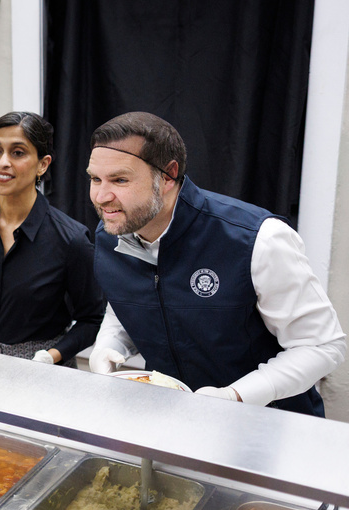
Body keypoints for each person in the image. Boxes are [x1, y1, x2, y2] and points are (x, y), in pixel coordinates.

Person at [86, 111, 346, 415]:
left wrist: (235, 395)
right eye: (95, 179)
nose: (102, 196)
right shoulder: (111, 234)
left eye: (120, 179)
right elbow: (127, 304)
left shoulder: (257, 238)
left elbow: (321, 346)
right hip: (170, 419)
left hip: (269, 424)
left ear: (168, 176)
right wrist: (109, 345)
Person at [0, 112, 105, 365]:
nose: (2, 162)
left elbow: (91, 319)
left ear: (43, 164)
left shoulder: (71, 239)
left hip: (45, 369)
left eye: (17, 153)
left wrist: (50, 357)